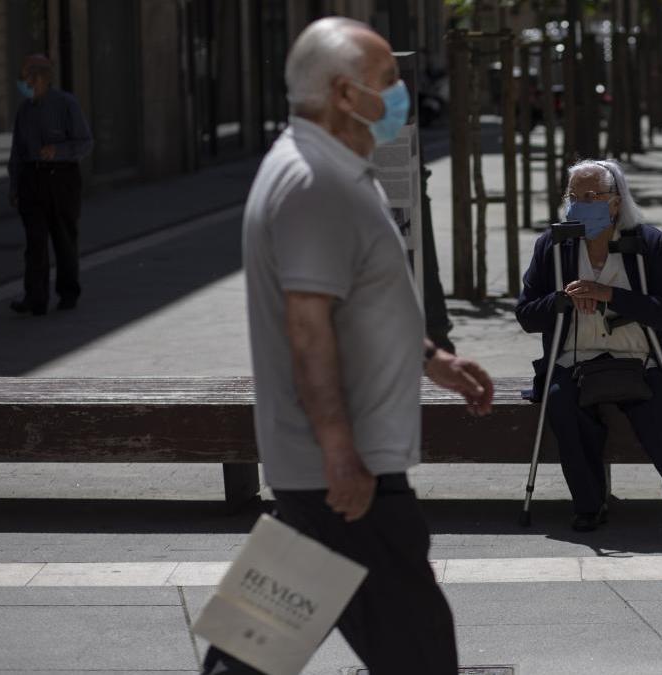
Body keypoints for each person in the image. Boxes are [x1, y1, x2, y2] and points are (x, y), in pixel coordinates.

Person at [202, 17, 493, 675]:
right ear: (341, 92)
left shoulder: (327, 170)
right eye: (387, 80)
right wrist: (341, 455)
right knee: (420, 652)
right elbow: (308, 330)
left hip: (328, 474)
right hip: (349, 474)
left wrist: (431, 360)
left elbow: (355, 305)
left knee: (254, 651)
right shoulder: (314, 182)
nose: (401, 94)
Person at [515, 159, 662, 532]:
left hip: (639, 358)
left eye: (593, 196)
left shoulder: (647, 244)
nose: (582, 203)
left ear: (616, 202)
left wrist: (610, 295)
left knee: (655, 403)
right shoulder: (554, 247)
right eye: (575, 196)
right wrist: (562, 301)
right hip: (574, 361)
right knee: (563, 405)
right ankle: (588, 504)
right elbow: (525, 315)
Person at [7, 54, 92, 316]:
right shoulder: (24, 110)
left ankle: (68, 293)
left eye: (26, 76)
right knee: (35, 241)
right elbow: (17, 152)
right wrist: (14, 185)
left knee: (64, 237)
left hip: (62, 178)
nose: (22, 82)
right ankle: (35, 297)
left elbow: (85, 143)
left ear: (40, 77)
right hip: (32, 180)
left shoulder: (66, 104)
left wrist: (59, 151)